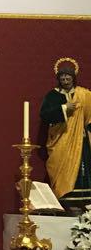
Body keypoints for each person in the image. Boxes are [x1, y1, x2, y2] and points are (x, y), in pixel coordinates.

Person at [39, 58, 91, 213]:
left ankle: (85, 201)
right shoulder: (52, 96)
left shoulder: (84, 94)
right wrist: (64, 108)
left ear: (73, 78)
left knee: (83, 169)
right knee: (60, 167)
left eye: (68, 77)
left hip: (80, 141)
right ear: (58, 79)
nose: (65, 80)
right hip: (61, 140)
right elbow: (45, 115)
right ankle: (66, 199)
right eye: (62, 77)